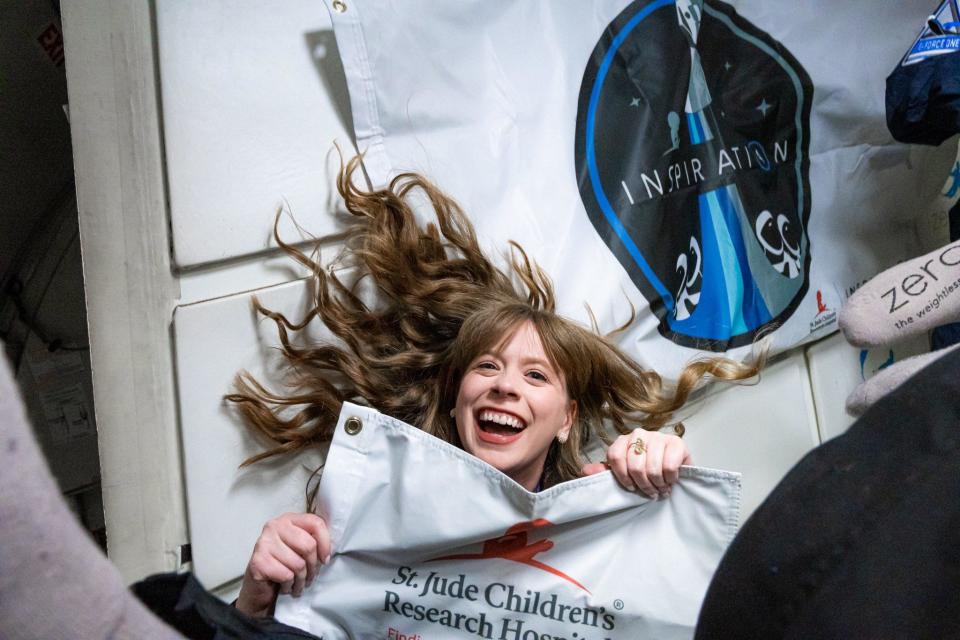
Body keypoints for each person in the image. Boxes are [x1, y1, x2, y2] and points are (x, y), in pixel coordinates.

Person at [227, 155, 763, 619]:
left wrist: (661, 471)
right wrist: (255, 603)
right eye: (487, 366)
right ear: (456, 397)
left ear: (567, 420)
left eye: (536, 375)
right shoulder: (363, 511)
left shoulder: (602, 516)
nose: (505, 386)